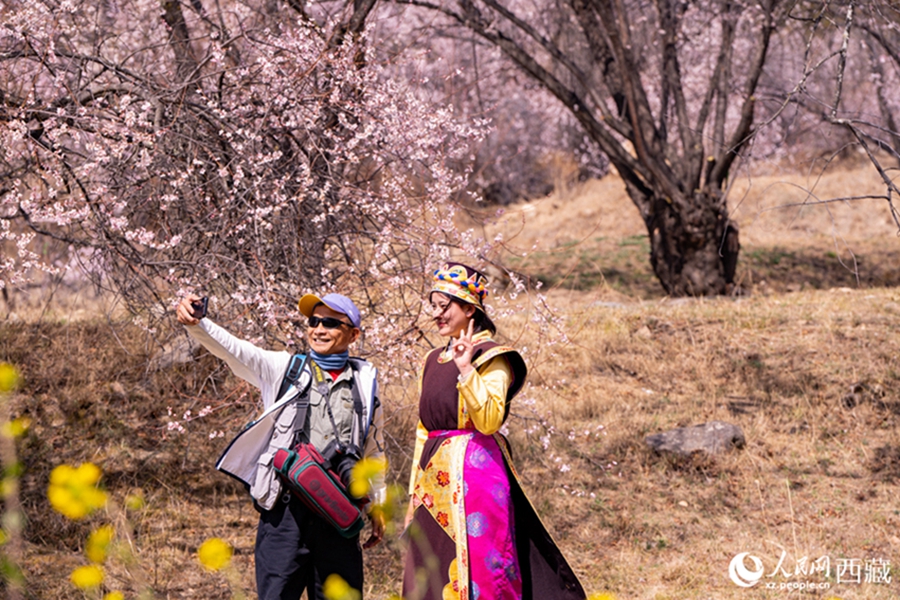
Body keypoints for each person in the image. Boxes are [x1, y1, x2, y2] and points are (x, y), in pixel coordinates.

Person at [176, 292, 385, 600]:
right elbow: (237, 351)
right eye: (314, 321)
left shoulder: (365, 383)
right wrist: (198, 324)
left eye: (330, 323)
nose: (319, 330)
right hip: (285, 512)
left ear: (353, 334)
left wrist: (377, 504)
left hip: (339, 512)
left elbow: (373, 448)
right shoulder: (286, 368)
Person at [402, 262, 586, 600]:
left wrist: (466, 370)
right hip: (433, 479)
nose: (437, 314)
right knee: (429, 570)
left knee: (479, 571)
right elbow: (423, 430)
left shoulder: (493, 357)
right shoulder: (431, 358)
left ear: (470, 308)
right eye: (434, 305)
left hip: (474, 477)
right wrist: (415, 492)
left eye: (445, 306)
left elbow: (488, 421)